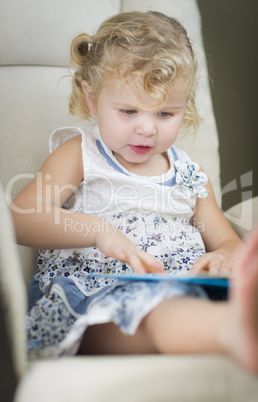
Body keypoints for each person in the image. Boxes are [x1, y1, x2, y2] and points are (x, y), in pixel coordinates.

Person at [11, 11, 258, 373]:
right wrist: (98, 230)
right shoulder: (81, 155)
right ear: (92, 99)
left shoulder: (189, 174)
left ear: (185, 105)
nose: (146, 129)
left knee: (203, 297)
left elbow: (226, 241)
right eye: (129, 111)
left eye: (165, 114)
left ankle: (226, 323)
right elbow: (20, 217)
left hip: (187, 287)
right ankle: (233, 333)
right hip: (94, 297)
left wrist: (223, 257)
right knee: (157, 311)